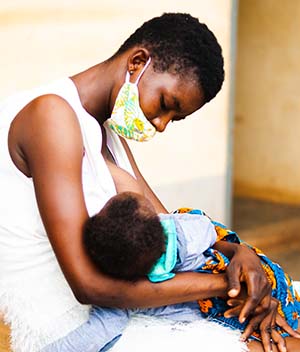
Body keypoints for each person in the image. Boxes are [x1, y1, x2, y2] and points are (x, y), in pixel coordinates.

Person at [0, 12, 287, 352]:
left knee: (283, 332)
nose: (161, 125)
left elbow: (170, 231)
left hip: (128, 312)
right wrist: (225, 284)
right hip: (78, 333)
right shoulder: (51, 116)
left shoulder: (107, 133)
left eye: (174, 119)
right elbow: (88, 286)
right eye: (166, 105)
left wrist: (242, 256)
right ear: (137, 62)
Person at [80, 164, 300, 352]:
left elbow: (93, 334)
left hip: (247, 301)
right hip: (261, 290)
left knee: (274, 341)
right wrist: (240, 251)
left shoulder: (128, 286)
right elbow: (128, 183)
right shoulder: (186, 230)